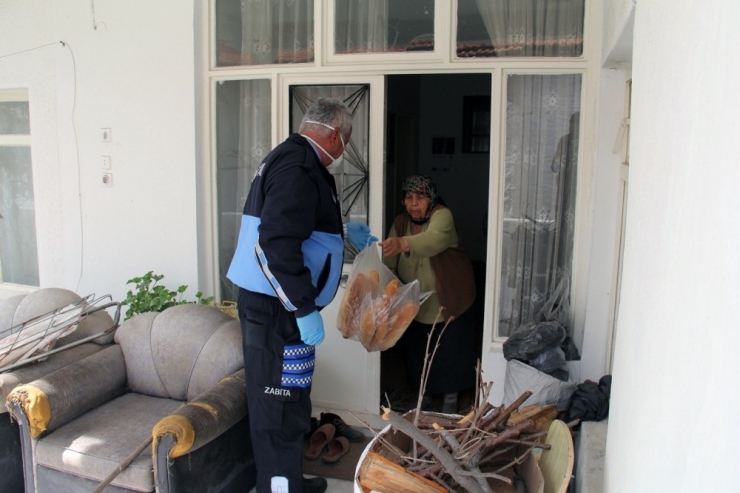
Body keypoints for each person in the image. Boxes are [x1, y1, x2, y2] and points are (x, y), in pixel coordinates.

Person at [227, 98, 374, 493]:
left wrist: (344, 234)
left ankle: (287, 480)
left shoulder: (301, 160)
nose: (345, 151)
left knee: (292, 398)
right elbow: (273, 242)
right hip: (276, 310)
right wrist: (303, 307)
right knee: (276, 406)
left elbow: (300, 227)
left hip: (283, 310)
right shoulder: (297, 166)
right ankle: (278, 488)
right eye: (347, 141)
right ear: (332, 134)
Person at [379, 174, 477, 414]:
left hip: (449, 297)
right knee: (417, 351)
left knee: (449, 350)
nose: (414, 203)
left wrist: (403, 244)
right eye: (409, 197)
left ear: (430, 198)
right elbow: (390, 259)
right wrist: (390, 285)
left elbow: (433, 240)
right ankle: (424, 397)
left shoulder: (442, 215)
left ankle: (451, 400)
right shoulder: (401, 222)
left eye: (420, 197)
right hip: (415, 301)